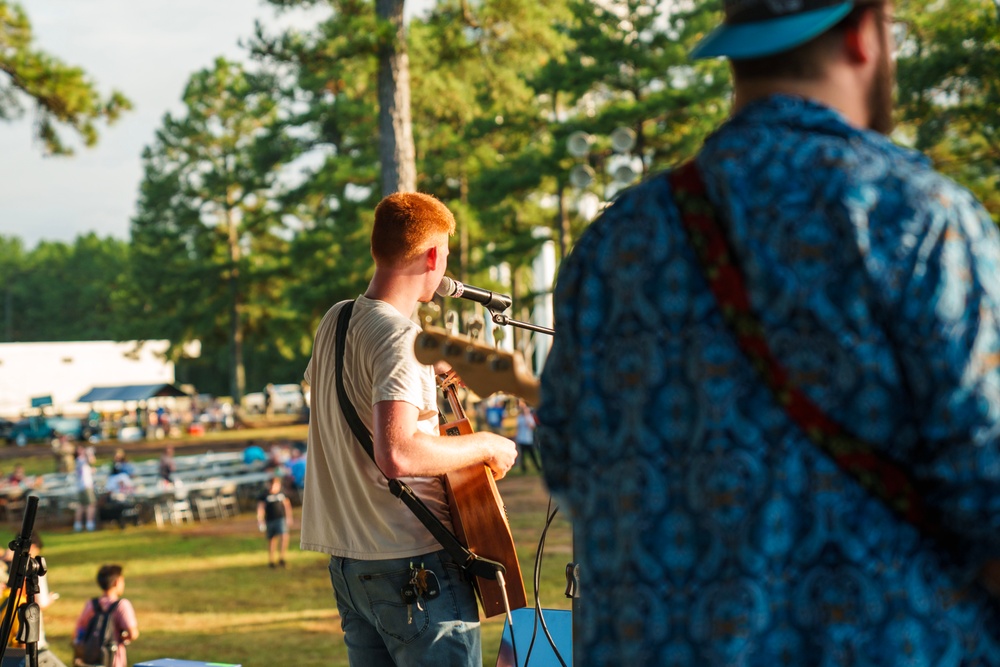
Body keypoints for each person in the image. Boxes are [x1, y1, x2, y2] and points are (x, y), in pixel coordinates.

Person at [538, 1, 1000, 664]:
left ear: (736, 46)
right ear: (865, 35)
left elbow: (566, 462)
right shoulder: (918, 221)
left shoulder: (613, 248)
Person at [301, 191, 518, 666]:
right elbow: (397, 453)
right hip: (415, 569)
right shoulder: (401, 337)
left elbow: (342, 388)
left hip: (354, 566)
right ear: (434, 255)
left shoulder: (335, 320)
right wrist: (487, 444)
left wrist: (428, 367)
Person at [73, 564, 139, 667]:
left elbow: (79, 629)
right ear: (117, 582)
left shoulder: (91, 604)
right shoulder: (122, 605)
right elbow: (133, 633)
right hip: (114, 659)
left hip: (91, 658)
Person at [257, 476, 294, 568]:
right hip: (270, 520)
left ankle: (282, 557)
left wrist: (289, 517)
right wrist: (260, 520)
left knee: (284, 536)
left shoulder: (281, 494)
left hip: (280, 519)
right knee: (272, 539)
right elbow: (260, 508)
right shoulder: (264, 495)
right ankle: (271, 560)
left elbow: (287, 506)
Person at [73, 445, 97, 532]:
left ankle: (78, 525)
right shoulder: (80, 459)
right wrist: (89, 452)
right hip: (86, 486)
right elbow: (91, 460)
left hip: (80, 486)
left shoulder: (78, 461)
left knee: (81, 505)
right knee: (91, 505)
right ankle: (89, 524)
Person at [513, 400, 540, 473]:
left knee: (532, 454)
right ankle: (524, 468)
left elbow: (532, 427)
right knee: (522, 455)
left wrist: (527, 418)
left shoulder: (529, 417)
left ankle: (537, 467)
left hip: (528, 439)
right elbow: (517, 428)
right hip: (521, 439)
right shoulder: (519, 418)